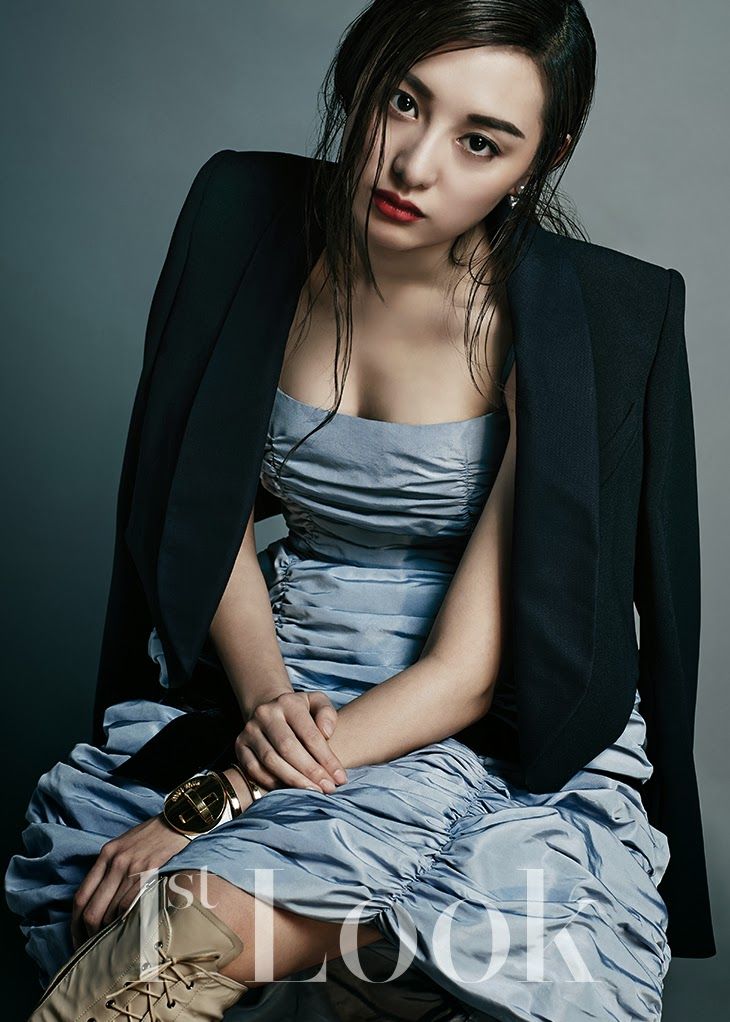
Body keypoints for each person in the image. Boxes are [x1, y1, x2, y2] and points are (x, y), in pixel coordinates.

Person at [4, 1, 715, 1020]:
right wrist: (266, 700)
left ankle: (374, 949)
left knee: (162, 956)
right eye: (403, 103)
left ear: (542, 159)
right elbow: (202, 504)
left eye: (481, 142)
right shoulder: (242, 219)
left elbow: (467, 672)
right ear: (362, 76)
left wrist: (225, 796)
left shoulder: (577, 322)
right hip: (280, 672)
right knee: (113, 966)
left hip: (471, 721)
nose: (414, 165)